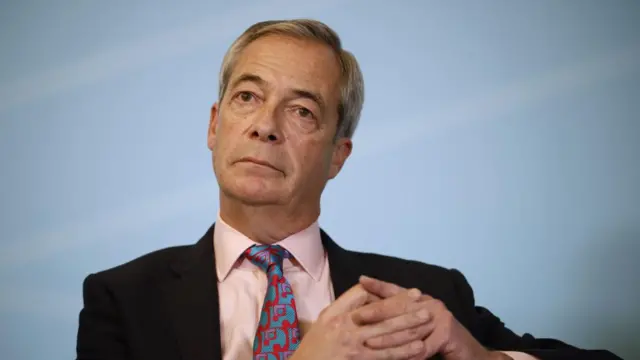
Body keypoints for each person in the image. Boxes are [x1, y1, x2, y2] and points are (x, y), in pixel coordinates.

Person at [75, 19, 622, 360]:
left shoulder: (422, 296)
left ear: (338, 155)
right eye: (247, 97)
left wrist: (481, 359)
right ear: (215, 126)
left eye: (302, 110)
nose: (265, 125)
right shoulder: (123, 300)